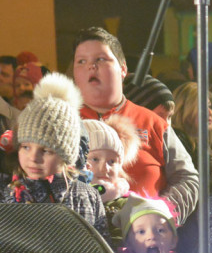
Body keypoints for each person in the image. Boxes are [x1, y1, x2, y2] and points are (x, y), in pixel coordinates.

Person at [72, 27, 199, 223]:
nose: (91, 66)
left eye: (101, 59)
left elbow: (187, 179)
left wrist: (161, 212)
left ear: (123, 69)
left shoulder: (154, 123)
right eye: (82, 61)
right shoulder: (61, 123)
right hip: (79, 240)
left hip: (145, 243)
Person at [0, 73, 108, 240]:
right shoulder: (8, 193)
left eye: (46, 150)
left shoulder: (87, 196)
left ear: (67, 153)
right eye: (26, 147)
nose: (33, 158)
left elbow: (102, 251)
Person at [81, 115, 140, 242]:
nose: (105, 168)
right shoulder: (66, 197)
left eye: (112, 161)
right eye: (95, 159)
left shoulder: (128, 203)